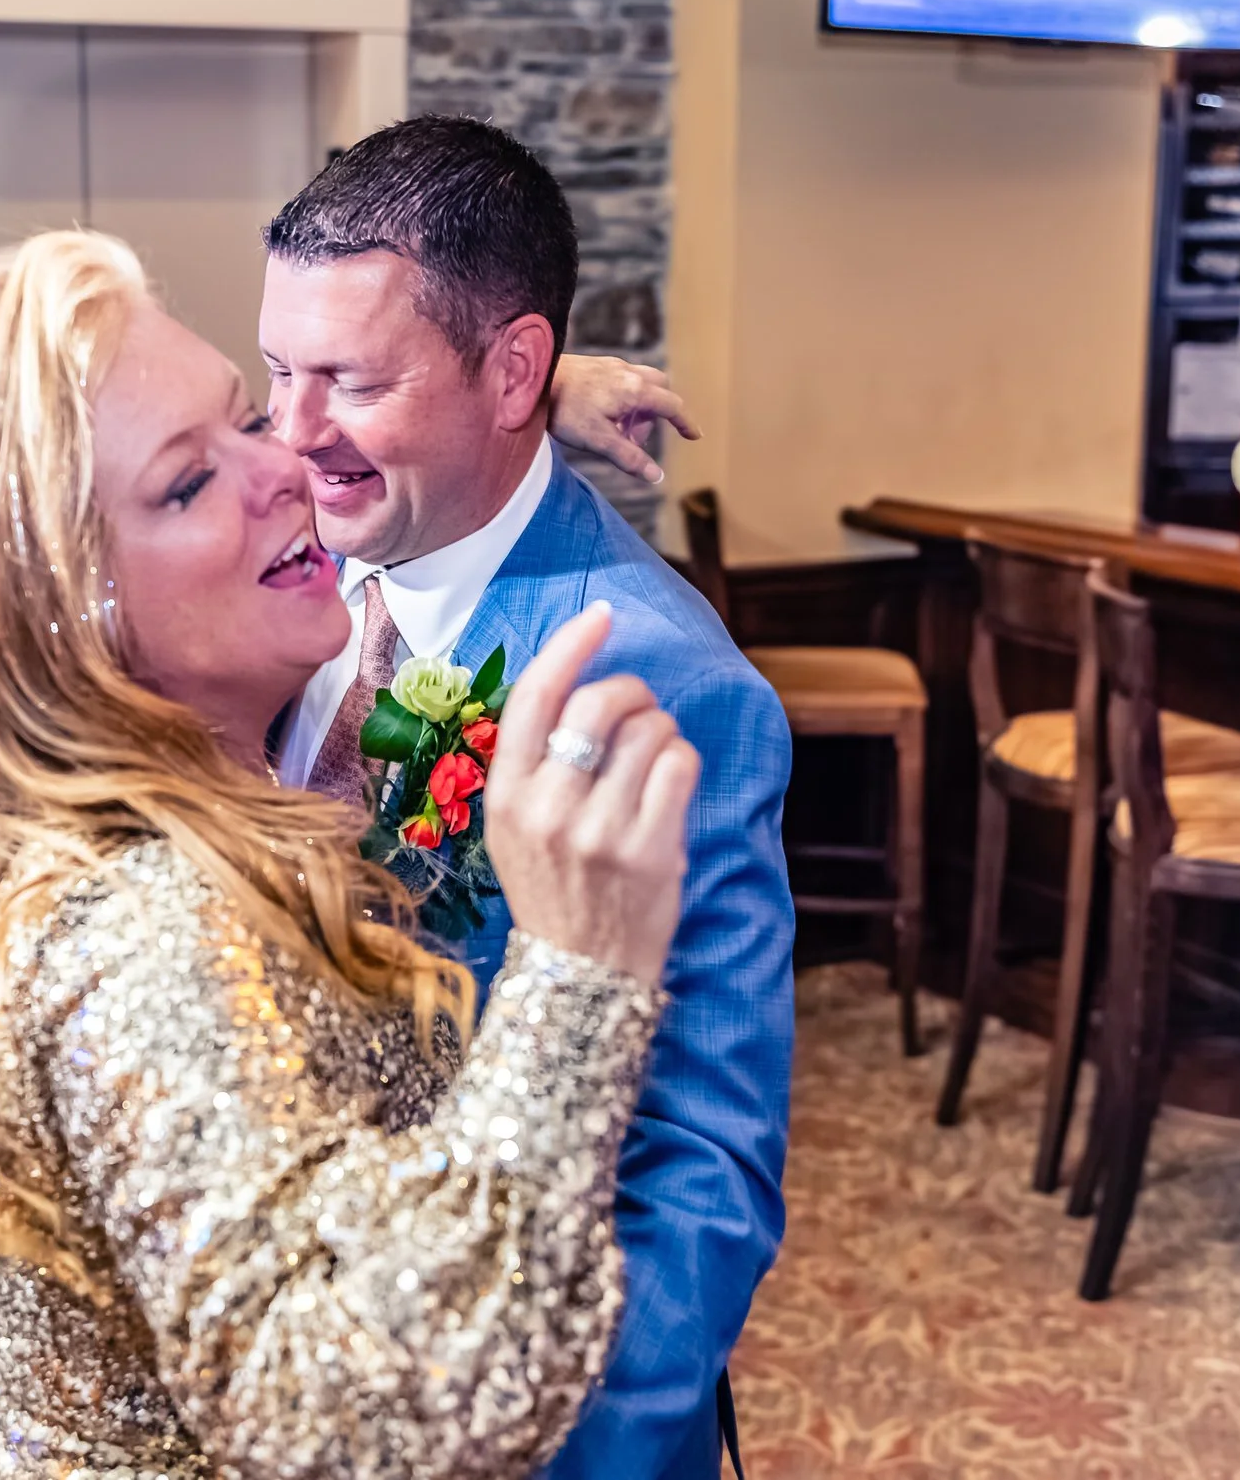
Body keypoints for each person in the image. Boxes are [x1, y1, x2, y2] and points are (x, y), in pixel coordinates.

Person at [0, 229, 707, 1478]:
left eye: (242, 416)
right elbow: (350, 1418)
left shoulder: (44, 795)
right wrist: (577, 971)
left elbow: (697, 1156)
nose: (287, 461)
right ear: (60, 610)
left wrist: (512, 395)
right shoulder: (140, 922)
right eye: (188, 481)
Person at [262, 115, 794, 1477]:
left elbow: (695, 1168)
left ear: (510, 369)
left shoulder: (658, 680)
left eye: (349, 380)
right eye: (278, 370)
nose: (292, 432)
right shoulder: (270, 546)